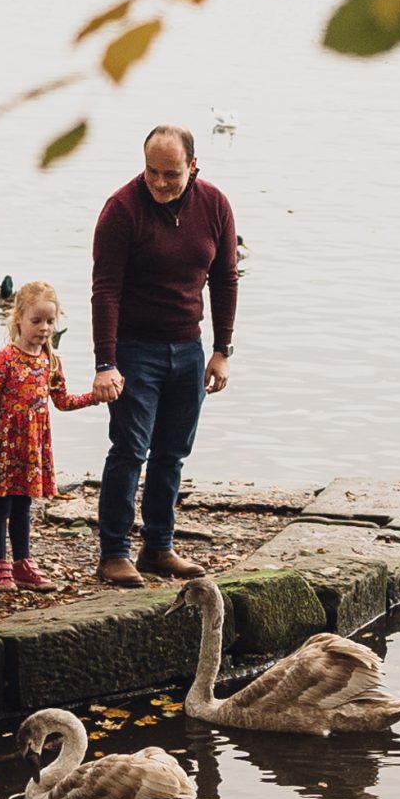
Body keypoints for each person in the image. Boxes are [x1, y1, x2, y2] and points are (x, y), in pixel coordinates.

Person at [89, 123, 236, 587]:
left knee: (172, 452)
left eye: (170, 174)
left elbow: (226, 278)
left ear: (193, 168)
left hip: (188, 349)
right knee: (130, 449)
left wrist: (221, 349)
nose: (159, 182)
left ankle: (159, 546)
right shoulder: (121, 210)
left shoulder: (214, 205)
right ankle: (114, 552)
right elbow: (105, 291)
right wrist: (105, 362)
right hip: (135, 349)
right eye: (151, 171)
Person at [0, 279, 103, 590]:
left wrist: (93, 397)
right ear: (19, 320)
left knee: (24, 504)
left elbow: (63, 401)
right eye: (37, 320)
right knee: (1, 504)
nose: (44, 328)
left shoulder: (51, 361)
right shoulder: (5, 358)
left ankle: (22, 562)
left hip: (33, 443)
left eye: (50, 321)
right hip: (4, 441)